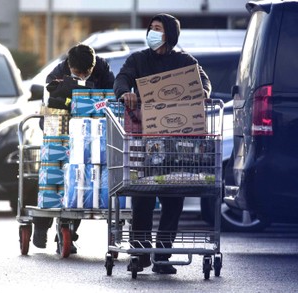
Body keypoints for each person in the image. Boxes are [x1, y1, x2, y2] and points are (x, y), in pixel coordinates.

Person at [113, 13, 211, 274]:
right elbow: (122, 78)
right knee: (141, 199)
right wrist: (125, 93)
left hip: (176, 143)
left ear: (170, 34)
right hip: (144, 140)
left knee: (172, 200)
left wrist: (202, 92)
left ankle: (162, 256)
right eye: (150, 28)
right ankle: (140, 254)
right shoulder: (138, 59)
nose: (152, 32)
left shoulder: (184, 61)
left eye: (157, 28)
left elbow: (203, 81)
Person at [32, 43, 115, 253]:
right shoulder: (55, 76)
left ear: (92, 67)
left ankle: (70, 230)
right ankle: (41, 226)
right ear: (69, 66)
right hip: (60, 129)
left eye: (86, 73)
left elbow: (112, 100)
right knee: (52, 179)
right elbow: (48, 112)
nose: (82, 76)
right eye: (78, 73)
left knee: (80, 181)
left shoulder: (103, 72)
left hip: (89, 135)